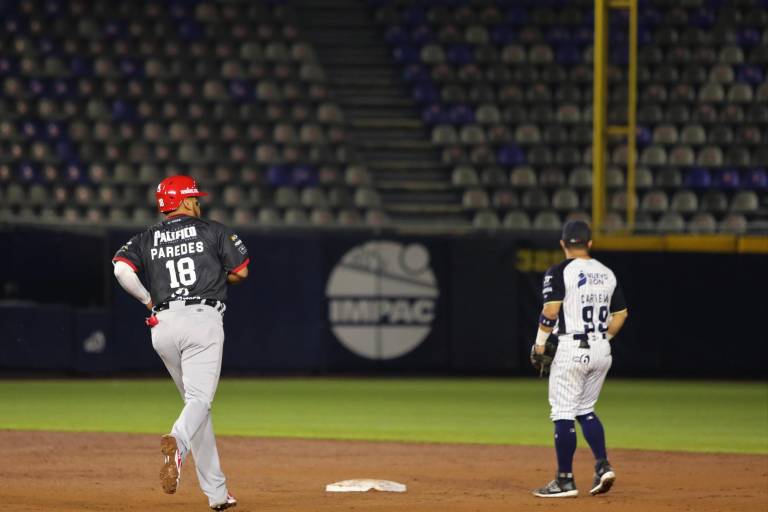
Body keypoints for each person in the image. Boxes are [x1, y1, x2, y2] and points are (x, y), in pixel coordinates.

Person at [112, 175, 249, 510]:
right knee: (199, 402)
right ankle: (177, 442)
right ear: (186, 201)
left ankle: (217, 494)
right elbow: (241, 271)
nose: (198, 202)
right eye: (195, 198)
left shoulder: (146, 238)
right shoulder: (212, 230)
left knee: (197, 406)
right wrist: (217, 273)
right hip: (201, 320)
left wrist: (147, 299)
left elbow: (120, 270)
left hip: (162, 325)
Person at [531, 220, 628, 498]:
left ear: (563, 244)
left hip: (573, 347)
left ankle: (564, 481)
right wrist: (602, 340)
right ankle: (602, 465)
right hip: (601, 349)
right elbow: (621, 315)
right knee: (585, 409)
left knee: (562, 412)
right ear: (590, 244)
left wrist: (539, 345)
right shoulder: (607, 273)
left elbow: (550, 311)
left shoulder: (560, 271)